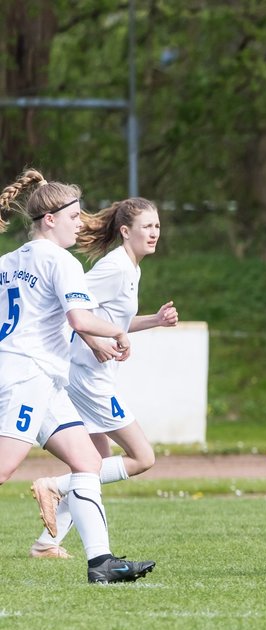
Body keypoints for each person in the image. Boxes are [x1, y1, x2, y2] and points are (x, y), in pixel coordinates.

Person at [0, 169, 155, 583]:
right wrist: (117, 330)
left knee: (87, 460)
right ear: (49, 219)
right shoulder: (60, 261)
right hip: (27, 376)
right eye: (73, 215)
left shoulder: (8, 262)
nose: (80, 222)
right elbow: (79, 317)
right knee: (3, 468)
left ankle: (101, 563)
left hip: (42, 378)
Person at [28, 197, 179, 559]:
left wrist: (154, 321)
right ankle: (55, 486)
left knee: (94, 462)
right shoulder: (115, 268)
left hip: (89, 374)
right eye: (147, 226)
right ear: (126, 231)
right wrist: (94, 341)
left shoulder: (131, 268)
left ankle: (47, 543)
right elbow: (74, 312)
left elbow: (115, 320)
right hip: (86, 378)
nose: (154, 232)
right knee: (143, 457)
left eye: (157, 226)